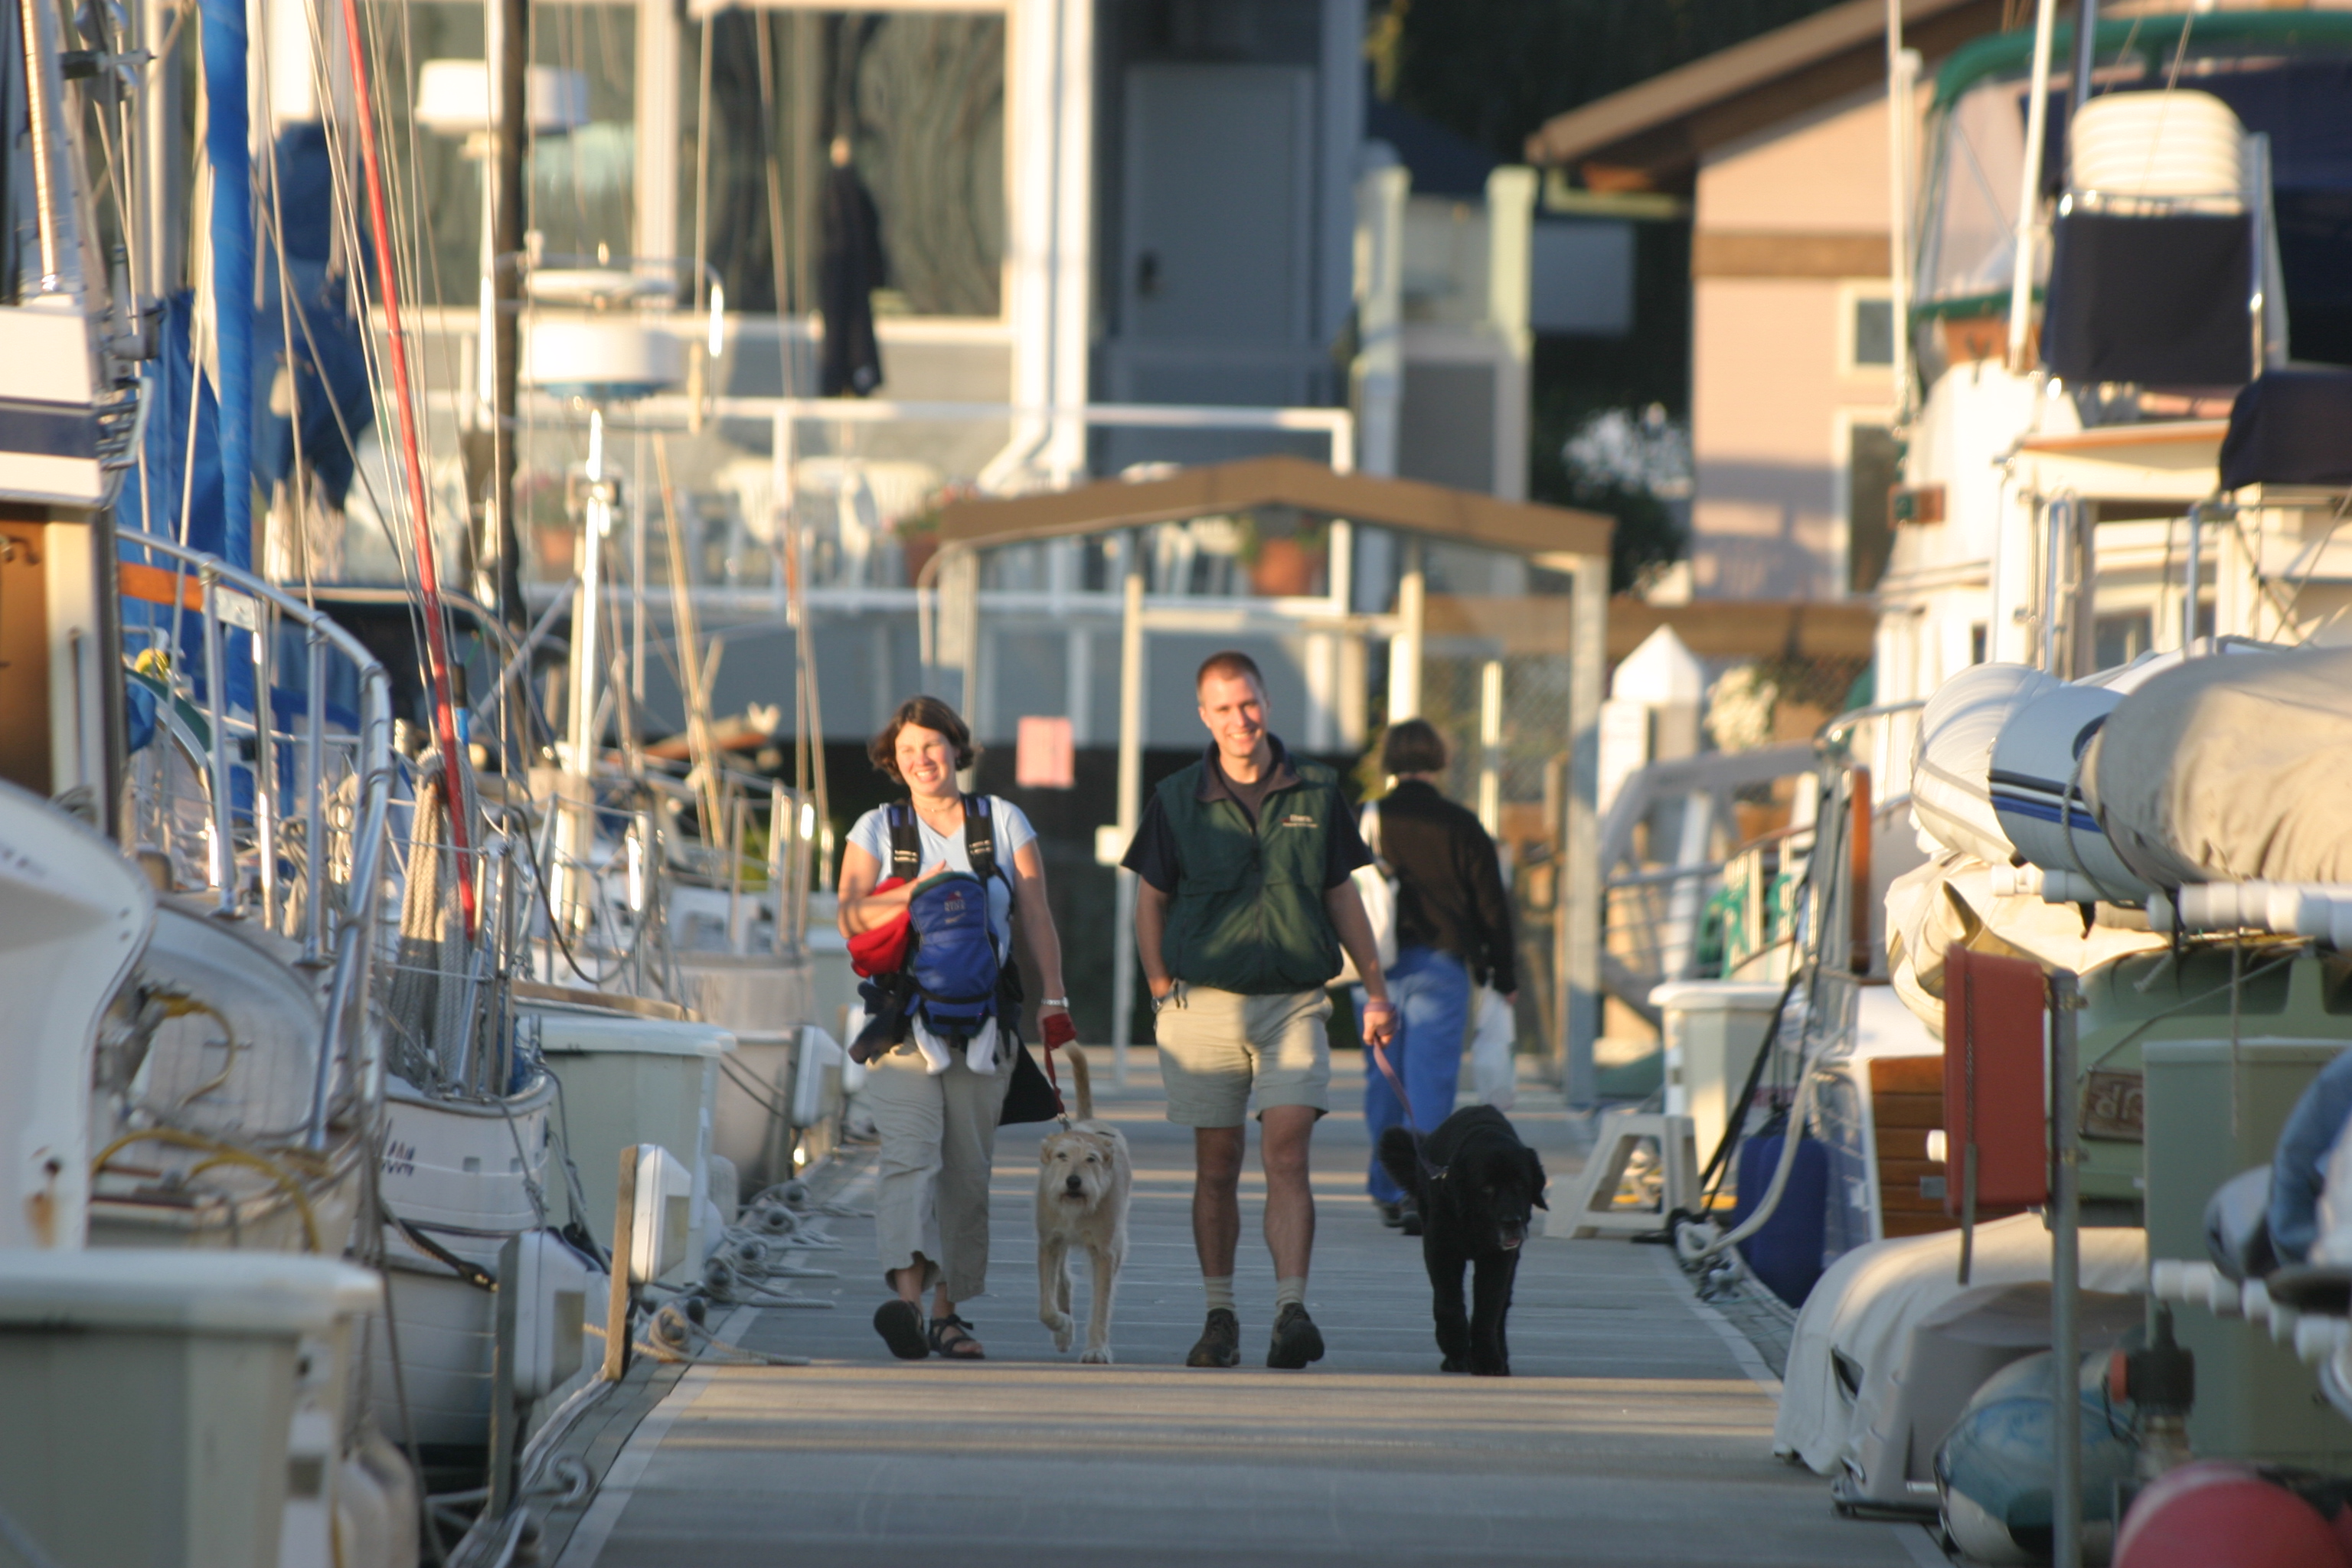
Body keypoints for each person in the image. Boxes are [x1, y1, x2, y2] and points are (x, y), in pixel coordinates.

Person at [1123, 651, 1395, 1370]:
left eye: (1248, 704)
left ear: (1267, 704)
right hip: (1201, 1006)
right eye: (1223, 709)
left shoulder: (1317, 788)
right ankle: (1220, 1316)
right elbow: (1149, 900)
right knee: (1217, 1165)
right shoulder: (1178, 797)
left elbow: (1343, 896)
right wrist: (1158, 986)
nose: (1239, 720)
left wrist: (1375, 991)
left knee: (1287, 1154)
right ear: (1204, 716)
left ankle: (1290, 1311)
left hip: (1294, 1004)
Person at [838, 696, 1070, 1360]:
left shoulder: (1000, 820)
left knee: (968, 1172)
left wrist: (1054, 1001)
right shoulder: (877, 829)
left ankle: (950, 1311)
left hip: (986, 1025)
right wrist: (914, 888)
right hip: (903, 1027)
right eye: (907, 752)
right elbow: (848, 916)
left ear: (956, 748)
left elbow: (1035, 915)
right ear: (894, 761)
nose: (921, 760)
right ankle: (907, 1307)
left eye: (932, 746)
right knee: (909, 1159)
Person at [1357, 718, 1518, 1233]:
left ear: (1390, 761)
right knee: (1429, 1084)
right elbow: (1491, 905)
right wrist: (1503, 973)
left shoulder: (1366, 818)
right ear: (1439, 759)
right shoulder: (1461, 823)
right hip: (1442, 966)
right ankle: (1419, 1188)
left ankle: (1387, 1184)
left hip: (1375, 967)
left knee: (1382, 1080)